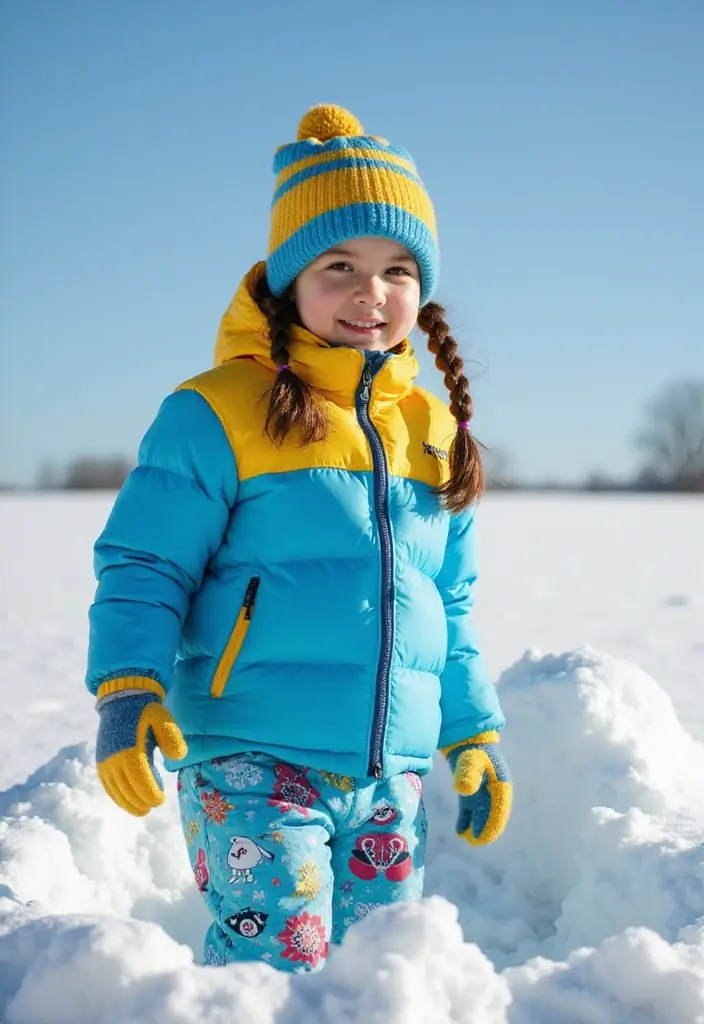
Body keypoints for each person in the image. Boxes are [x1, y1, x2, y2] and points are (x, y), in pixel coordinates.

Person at [86, 104, 512, 972]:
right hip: (254, 756)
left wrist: (473, 733)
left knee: (376, 974)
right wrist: (127, 686)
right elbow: (145, 562)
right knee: (277, 969)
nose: (371, 292)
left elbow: (450, 605)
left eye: (397, 268)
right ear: (288, 281)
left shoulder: (433, 432)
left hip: (388, 773)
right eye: (339, 264)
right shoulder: (217, 411)